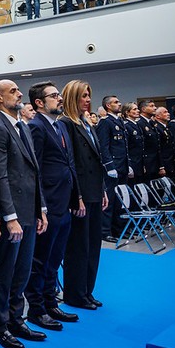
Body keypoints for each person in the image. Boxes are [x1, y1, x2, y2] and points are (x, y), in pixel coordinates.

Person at [0, 79, 48, 348]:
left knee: (22, 271)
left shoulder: (22, 126)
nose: (20, 93)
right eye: (13, 91)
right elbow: (0, 177)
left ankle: (17, 319)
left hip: (29, 212)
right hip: (13, 216)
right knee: (6, 272)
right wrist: (8, 216)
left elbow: (33, 171)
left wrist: (40, 207)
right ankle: (1, 326)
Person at [23, 82, 80, 332]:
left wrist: (76, 196)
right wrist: (41, 207)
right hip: (48, 203)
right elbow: (33, 170)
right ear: (39, 102)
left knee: (55, 258)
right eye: (54, 95)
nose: (60, 99)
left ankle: (50, 301)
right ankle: (36, 309)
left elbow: (69, 163)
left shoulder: (61, 126)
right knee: (41, 260)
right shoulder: (36, 127)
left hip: (64, 201)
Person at [58, 80, 108, 310]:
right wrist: (76, 196)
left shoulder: (86, 122)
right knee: (79, 247)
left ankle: (88, 290)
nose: (88, 100)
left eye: (89, 95)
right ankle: (75, 294)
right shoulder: (65, 124)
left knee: (93, 245)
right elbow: (70, 164)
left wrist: (103, 190)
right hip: (80, 194)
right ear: (72, 97)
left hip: (94, 190)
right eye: (83, 96)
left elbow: (97, 161)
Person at [96, 95, 131, 242]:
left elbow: (124, 146)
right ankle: (105, 231)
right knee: (109, 200)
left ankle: (118, 229)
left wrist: (128, 165)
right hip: (112, 167)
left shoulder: (119, 121)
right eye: (116, 102)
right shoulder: (105, 122)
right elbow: (103, 146)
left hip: (122, 166)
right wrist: (109, 166)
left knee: (120, 199)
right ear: (108, 106)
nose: (120, 104)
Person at [138, 99, 162, 180]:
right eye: (151, 106)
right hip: (147, 162)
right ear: (143, 109)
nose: (155, 108)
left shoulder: (151, 122)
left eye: (154, 106)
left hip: (155, 161)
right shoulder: (139, 123)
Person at [123, 102, 146, 185]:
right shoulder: (126, 126)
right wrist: (129, 165)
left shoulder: (137, 125)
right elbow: (126, 146)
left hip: (140, 162)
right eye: (134, 109)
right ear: (127, 112)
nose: (138, 111)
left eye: (137, 109)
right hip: (133, 162)